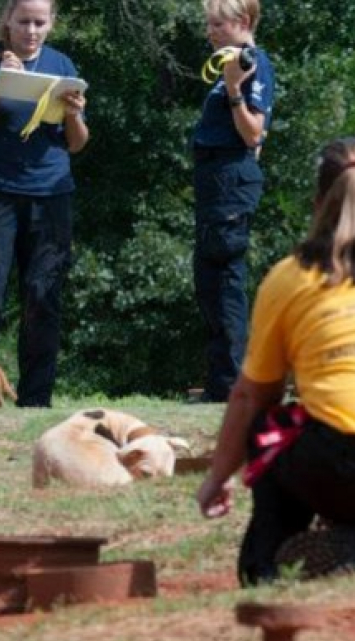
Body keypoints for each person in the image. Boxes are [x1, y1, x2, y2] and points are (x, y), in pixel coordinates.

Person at [196, 138, 355, 586]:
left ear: (318, 202)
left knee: (270, 426)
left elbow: (251, 395)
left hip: (330, 460)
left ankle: (266, 564)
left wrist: (216, 478)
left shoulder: (290, 277)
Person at [0, 0, 89, 408]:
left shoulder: (63, 66)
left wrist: (75, 115)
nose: (31, 30)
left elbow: (76, 143)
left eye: (39, 22)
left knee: (43, 299)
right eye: (24, 21)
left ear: (51, 24)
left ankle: (35, 404)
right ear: (7, 20)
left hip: (51, 198)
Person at [191, 0, 276, 403]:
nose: (210, 31)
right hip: (215, 180)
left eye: (217, 24)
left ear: (242, 22)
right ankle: (219, 383)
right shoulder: (232, 63)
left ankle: (231, 387)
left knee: (225, 280)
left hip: (230, 179)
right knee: (208, 280)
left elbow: (254, 134)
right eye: (209, 24)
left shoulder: (251, 64)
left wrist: (233, 90)